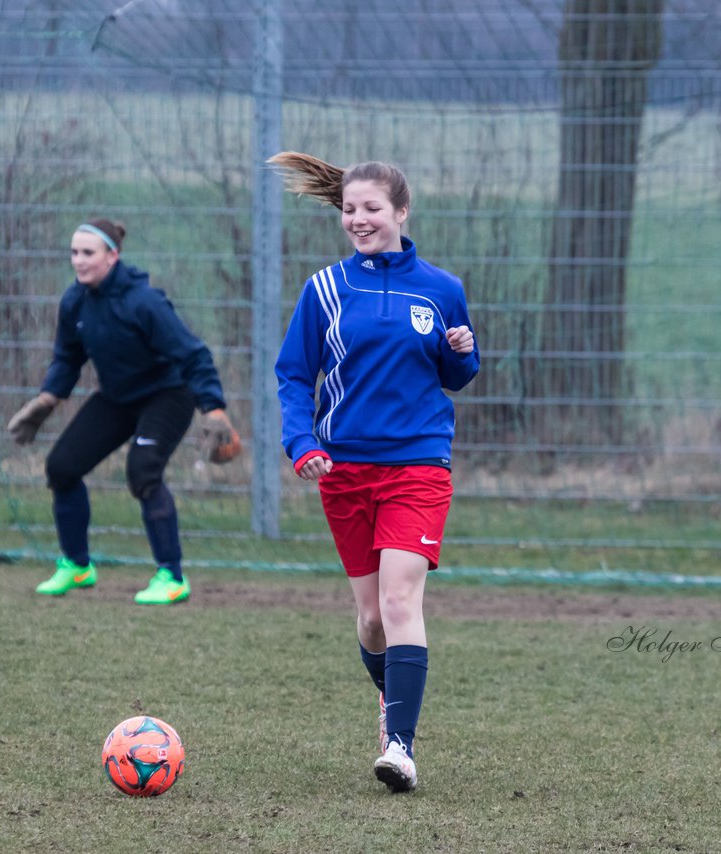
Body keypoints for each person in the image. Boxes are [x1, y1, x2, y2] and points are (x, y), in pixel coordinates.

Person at [270, 152, 479, 792]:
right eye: (350, 210)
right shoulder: (325, 289)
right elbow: (293, 374)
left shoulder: (441, 288)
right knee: (370, 619)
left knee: (399, 600)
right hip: (344, 471)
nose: (359, 220)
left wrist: (462, 355)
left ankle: (401, 747)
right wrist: (301, 440)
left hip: (418, 464)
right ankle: (390, 704)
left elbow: (453, 377)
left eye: (372, 209)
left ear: (401, 212)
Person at [6, 218, 240, 605]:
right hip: (117, 397)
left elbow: (193, 354)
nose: (78, 261)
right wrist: (48, 399)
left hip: (168, 395)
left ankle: (172, 576)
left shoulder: (143, 302)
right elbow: (67, 357)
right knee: (61, 467)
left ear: (112, 256)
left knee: (143, 471)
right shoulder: (74, 301)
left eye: (88, 253)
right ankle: (77, 566)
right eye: (74, 253)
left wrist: (213, 408)